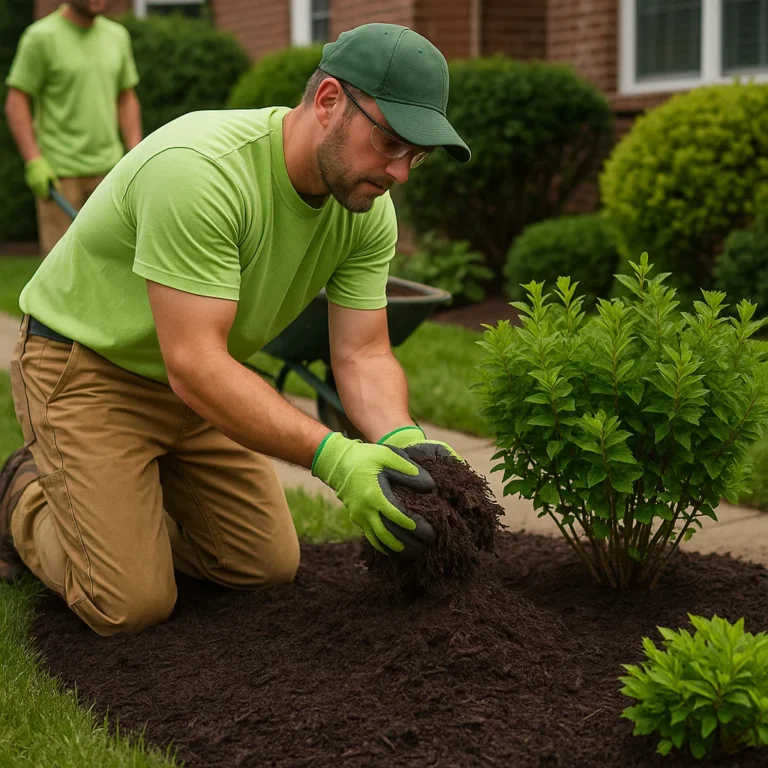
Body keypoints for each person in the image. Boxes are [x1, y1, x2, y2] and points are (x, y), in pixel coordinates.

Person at [0, 23, 470, 636]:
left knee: (264, 566)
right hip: (87, 371)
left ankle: (121, 501)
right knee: (130, 604)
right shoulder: (201, 171)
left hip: (195, 384)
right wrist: (333, 457)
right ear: (328, 100)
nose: (401, 171)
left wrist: (406, 441)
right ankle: (24, 494)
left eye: (418, 155)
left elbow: (362, 353)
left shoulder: (366, 209)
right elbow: (194, 362)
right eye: (390, 141)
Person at [4, 0, 142, 256]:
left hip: (110, 174)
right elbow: (16, 101)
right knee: (61, 271)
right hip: (60, 177)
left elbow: (126, 96)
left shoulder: (117, 36)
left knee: (111, 266)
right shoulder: (40, 38)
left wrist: (135, 152)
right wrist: (34, 161)